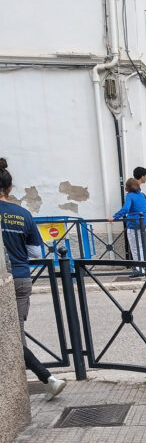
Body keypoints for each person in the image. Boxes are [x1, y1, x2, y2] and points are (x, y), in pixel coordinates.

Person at [0, 159, 66, 400]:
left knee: (12, 337)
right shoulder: (23, 214)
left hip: (4, 280)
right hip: (21, 279)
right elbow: (37, 253)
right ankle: (46, 379)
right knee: (14, 334)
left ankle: (47, 378)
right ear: (9, 189)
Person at [107, 177, 146, 278]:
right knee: (142, 247)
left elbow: (126, 208)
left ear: (127, 187)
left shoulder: (129, 196)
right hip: (145, 224)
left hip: (133, 225)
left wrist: (114, 217)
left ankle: (139, 270)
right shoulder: (143, 195)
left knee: (135, 248)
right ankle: (145, 268)